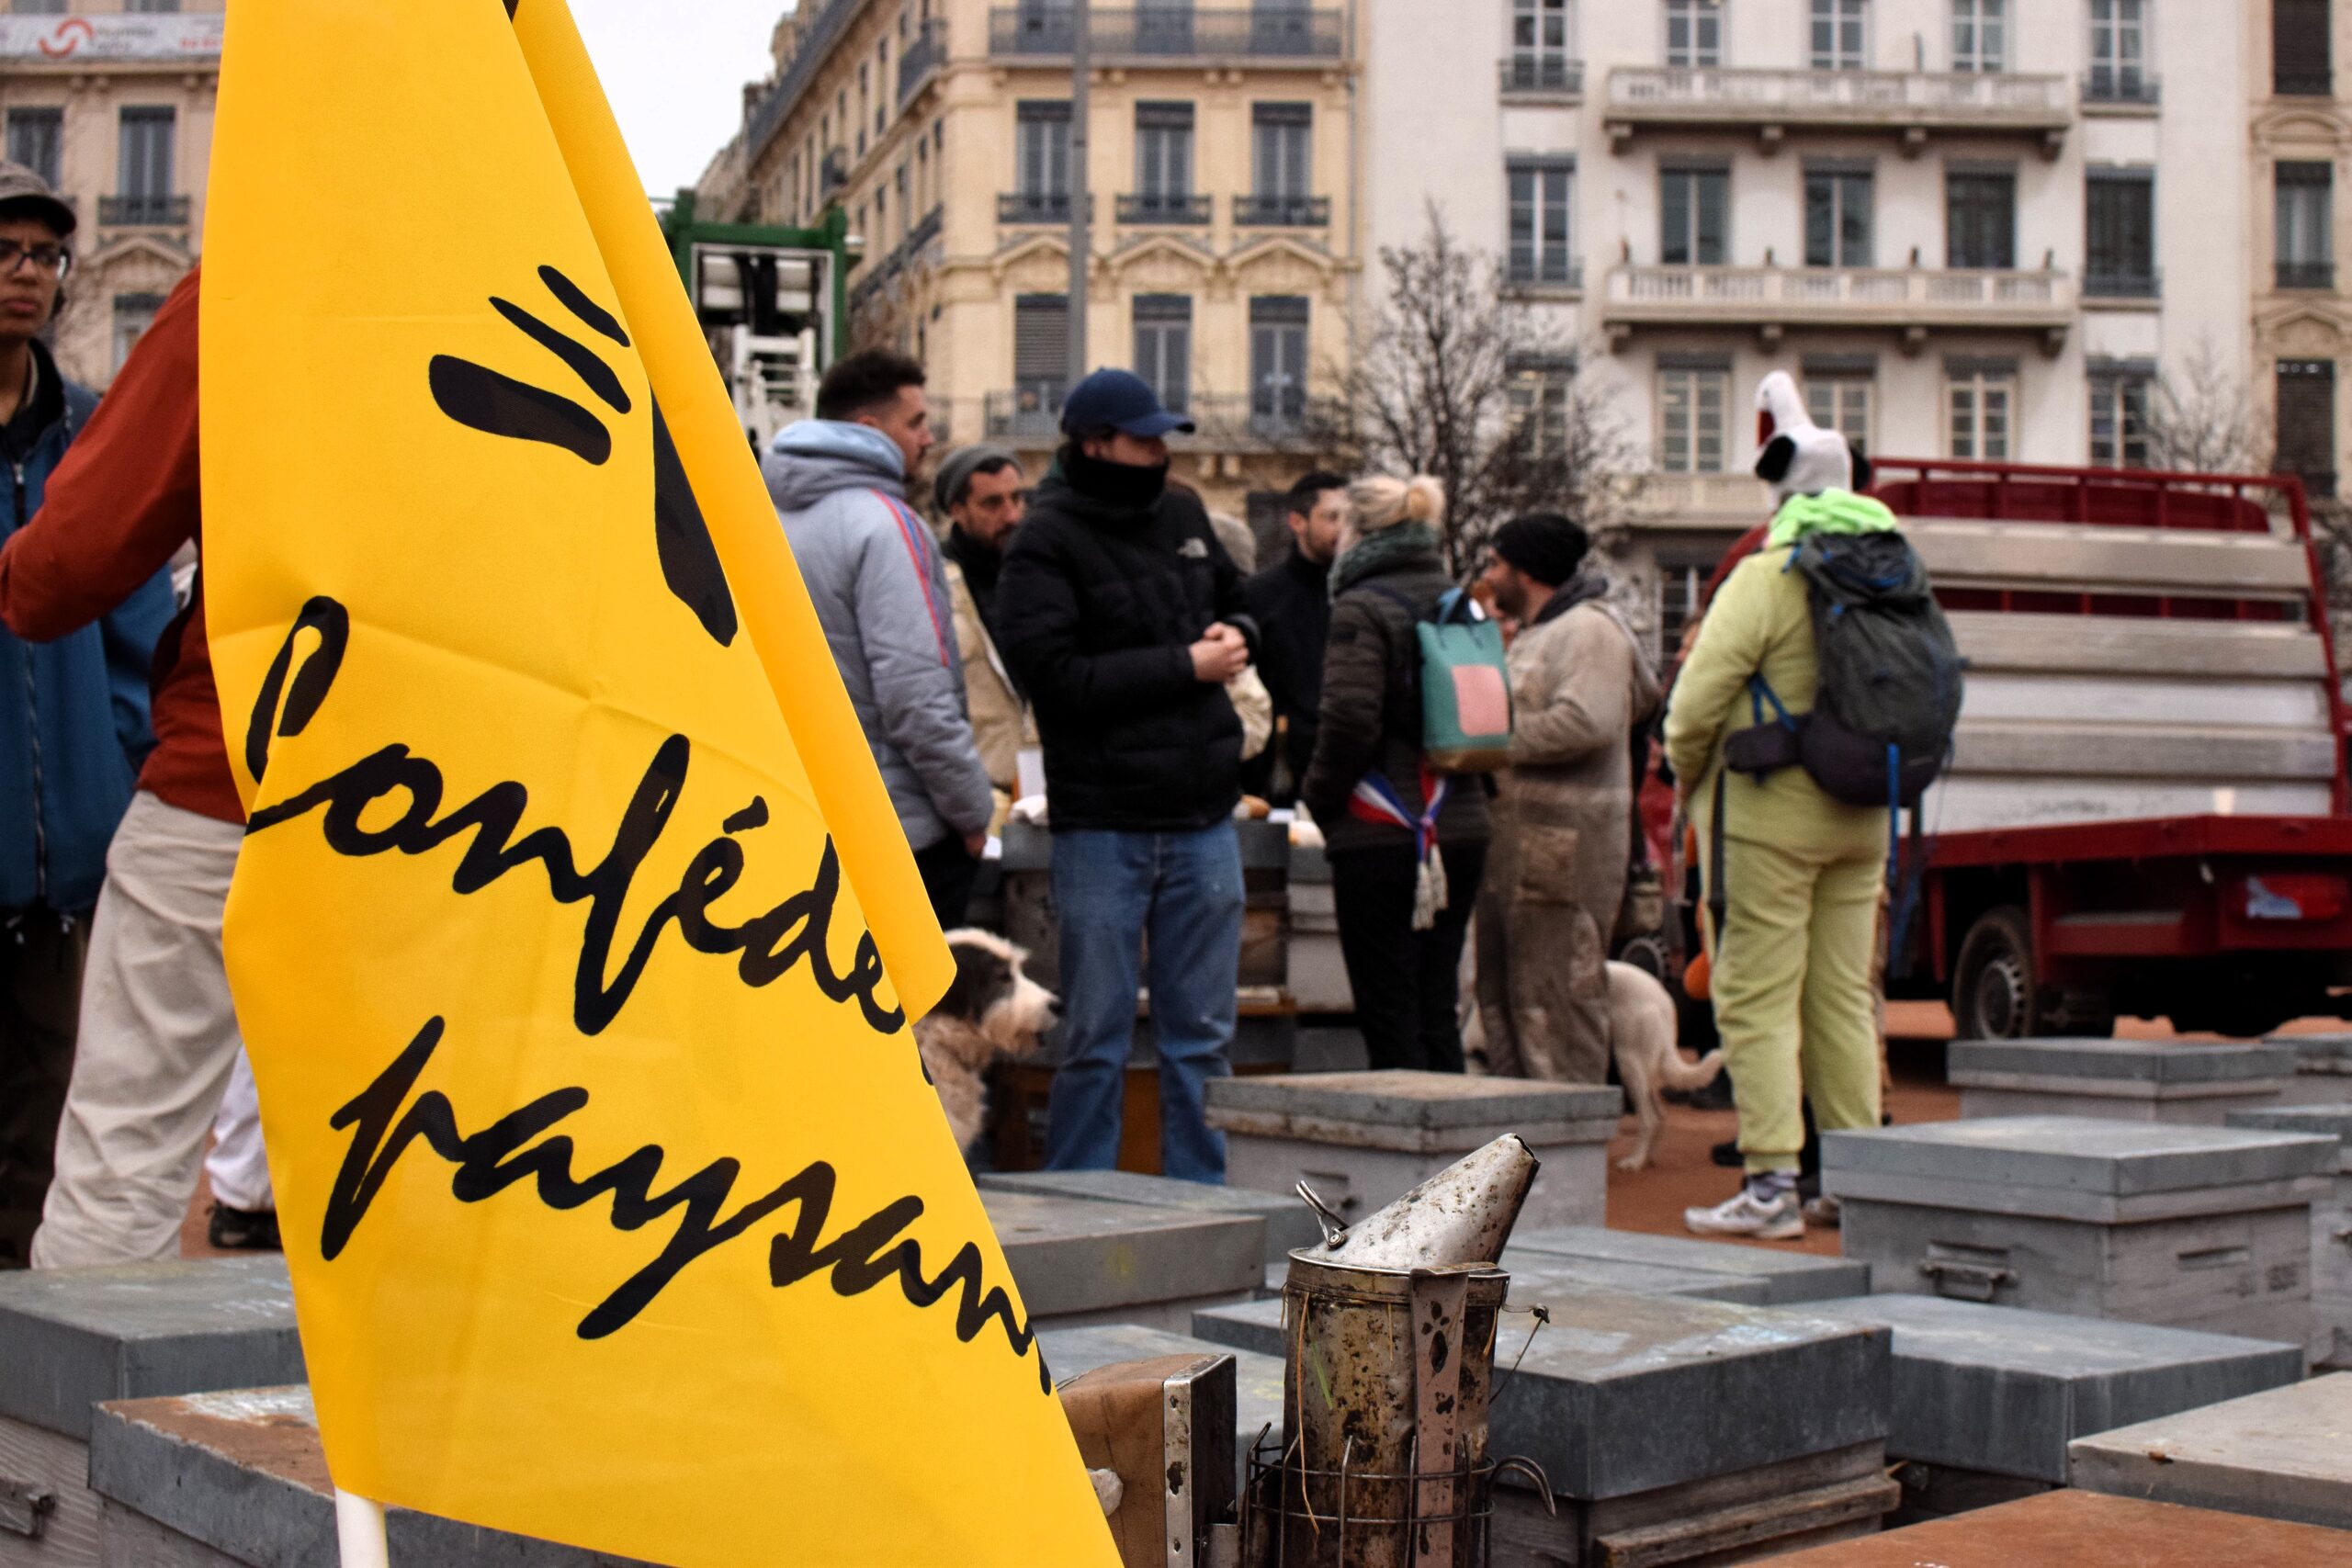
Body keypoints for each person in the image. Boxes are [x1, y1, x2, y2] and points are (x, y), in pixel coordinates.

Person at [0, 266, 266, 1268]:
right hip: (479, 801)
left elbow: (73, 558)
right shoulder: (518, 261)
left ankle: (68, 1426)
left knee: (127, 1152)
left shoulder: (260, 273)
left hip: (240, 767)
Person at [993, 367, 1256, 1181]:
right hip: (1102, 819)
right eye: (1144, 440)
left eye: (1162, 438)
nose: (1160, 452)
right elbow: (1057, 679)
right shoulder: (1044, 537)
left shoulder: (1183, 514)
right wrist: (1188, 664)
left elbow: (1243, 596)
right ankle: (1078, 1201)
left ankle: (1204, 1208)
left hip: (1202, 814)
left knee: (1201, 1038)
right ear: (1095, 443)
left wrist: (1239, 628)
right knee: (1096, 1034)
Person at [1667, 379, 1894, 1241]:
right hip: (1865, 810)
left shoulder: (1769, 574)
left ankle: (1770, 1182)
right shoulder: (1889, 569)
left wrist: (1688, 779)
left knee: (1755, 994)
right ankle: (1855, 1177)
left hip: (1765, 812)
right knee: (1840, 994)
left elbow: (1695, 707)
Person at [0, 164, 175, 1268]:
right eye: (7, 251)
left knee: (42, 1155)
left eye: (44, 257)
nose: (27, 275)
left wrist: (113, 777)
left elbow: (139, 623)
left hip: (61, 882)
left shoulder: (88, 436)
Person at [767, 350, 994, 929]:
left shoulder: (764, 515)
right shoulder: (886, 524)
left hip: (795, 816)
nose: (930, 437)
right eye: (915, 422)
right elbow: (916, 695)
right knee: (921, 1015)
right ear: (869, 430)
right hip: (901, 831)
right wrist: (973, 813)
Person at [1299, 475, 1488, 1073]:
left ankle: (1412, 1159)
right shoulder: (1457, 597)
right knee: (1437, 1008)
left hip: (1383, 831)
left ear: (1358, 529)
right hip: (1460, 823)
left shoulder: (1361, 604)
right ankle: (1464, 1163)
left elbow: (1351, 719)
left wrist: (1320, 799)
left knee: (1389, 1012)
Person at [1474, 513, 1660, 1085]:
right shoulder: (1537, 632)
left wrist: (1482, 746)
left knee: (1559, 1000)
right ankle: (1519, 1144)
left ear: (1526, 571)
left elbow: (1590, 721)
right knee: (1506, 999)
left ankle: (1570, 1145)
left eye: (1497, 563)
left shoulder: (1589, 630)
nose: (1489, 575)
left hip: (1568, 854)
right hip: (1519, 852)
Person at [935, 443, 1032, 821]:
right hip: (974, 792)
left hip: (1047, 787)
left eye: (1016, 499)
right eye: (992, 504)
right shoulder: (935, 580)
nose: (1011, 515)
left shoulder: (1043, 572)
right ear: (957, 510)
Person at [1243, 471, 1346, 802]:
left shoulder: (1360, 595)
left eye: (1350, 517)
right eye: (1332, 517)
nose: (1343, 528)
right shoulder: (1259, 596)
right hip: (1276, 779)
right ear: (1297, 522)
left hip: (1348, 774)